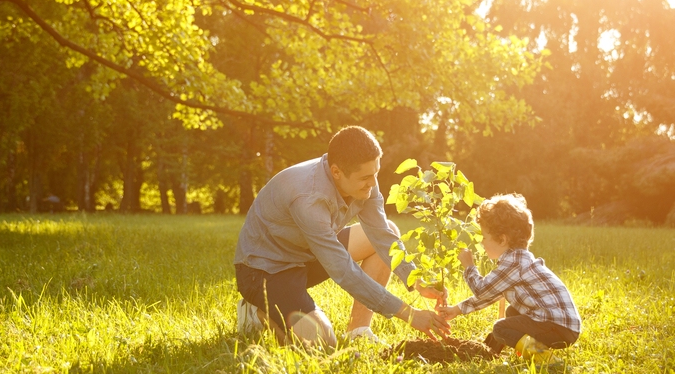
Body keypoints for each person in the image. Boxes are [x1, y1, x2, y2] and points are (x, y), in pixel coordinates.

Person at [233, 126, 450, 348]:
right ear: (336, 172)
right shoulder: (308, 198)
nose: (373, 183)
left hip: (306, 255)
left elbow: (382, 236)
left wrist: (417, 281)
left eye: (375, 173)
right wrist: (410, 314)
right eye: (366, 177)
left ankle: (358, 330)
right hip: (265, 271)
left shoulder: (365, 183)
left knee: (391, 229)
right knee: (323, 343)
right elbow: (344, 271)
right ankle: (255, 313)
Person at [437, 194, 581, 360]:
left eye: (484, 237)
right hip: (561, 326)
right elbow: (491, 294)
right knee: (512, 311)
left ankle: (545, 359)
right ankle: (490, 352)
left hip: (558, 327)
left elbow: (482, 291)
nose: (482, 243)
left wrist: (469, 267)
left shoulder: (513, 263)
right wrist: (457, 309)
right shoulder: (518, 260)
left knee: (501, 328)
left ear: (502, 239)